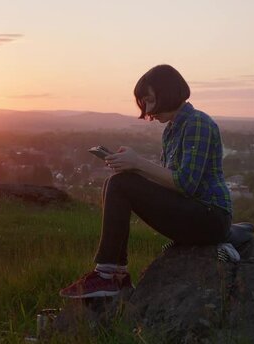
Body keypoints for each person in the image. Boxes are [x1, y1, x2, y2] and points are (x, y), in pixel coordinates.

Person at [59, 64, 232, 298]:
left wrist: (138, 163)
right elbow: (169, 184)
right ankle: (117, 276)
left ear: (169, 93)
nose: (149, 111)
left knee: (121, 184)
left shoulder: (197, 123)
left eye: (151, 101)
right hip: (193, 212)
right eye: (145, 103)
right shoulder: (172, 129)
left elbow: (186, 184)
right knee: (119, 181)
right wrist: (132, 167)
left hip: (211, 217)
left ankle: (106, 276)